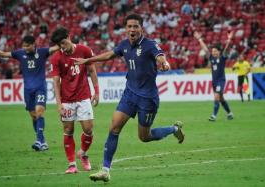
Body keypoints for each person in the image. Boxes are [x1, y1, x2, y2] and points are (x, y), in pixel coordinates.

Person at [72, 14, 185, 182]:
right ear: (126, 29)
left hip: (148, 99)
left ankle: (174, 129)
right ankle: (105, 170)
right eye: (129, 26)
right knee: (114, 128)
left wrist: (165, 64)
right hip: (129, 94)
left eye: (135, 26)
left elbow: (160, 57)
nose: (132, 30)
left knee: (144, 137)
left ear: (141, 28)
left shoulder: (150, 44)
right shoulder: (124, 45)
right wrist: (88, 60)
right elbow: (108, 55)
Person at [0, 36, 59, 151]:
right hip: (28, 90)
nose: (25, 48)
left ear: (33, 44)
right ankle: (43, 141)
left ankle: (39, 141)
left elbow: (56, 47)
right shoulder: (20, 53)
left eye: (27, 46)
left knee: (39, 112)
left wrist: (65, 40)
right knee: (33, 116)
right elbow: (3, 54)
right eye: (23, 45)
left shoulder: (43, 52)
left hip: (40, 88)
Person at [50, 27, 99, 174]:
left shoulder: (84, 50)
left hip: (84, 97)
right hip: (67, 100)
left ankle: (82, 153)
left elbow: (92, 71)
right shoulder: (56, 58)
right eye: (60, 45)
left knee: (88, 129)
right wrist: (59, 104)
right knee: (68, 130)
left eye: (64, 43)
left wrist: (96, 92)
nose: (63, 47)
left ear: (69, 37)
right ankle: (72, 165)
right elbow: (56, 82)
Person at [194, 31, 234, 122]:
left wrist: (229, 40)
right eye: (213, 51)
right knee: (221, 99)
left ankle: (214, 116)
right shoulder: (211, 58)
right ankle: (230, 113)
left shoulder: (222, 58)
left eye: (215, 51)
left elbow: (226, 50)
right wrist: (199, 39)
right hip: (214, 82)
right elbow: (205, 49)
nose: (213, 52)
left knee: (216, 96)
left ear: (219, 52)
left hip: (221, 81)